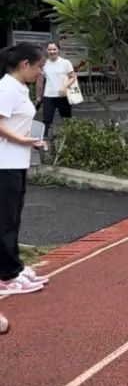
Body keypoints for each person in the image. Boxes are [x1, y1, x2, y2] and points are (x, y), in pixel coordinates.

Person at [0, 43, 49, 295]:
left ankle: (13, 266)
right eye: (39, 67)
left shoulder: (19, 88)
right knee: (5, 220)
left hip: (17, 161)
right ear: (25, 64)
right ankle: (6, 276)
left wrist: (30, 140)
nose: (40, 72)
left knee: (13, 218)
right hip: (4, 163)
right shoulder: (6, 87)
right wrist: (21, 140)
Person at [35, 43, 77, 138]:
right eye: (50, 49)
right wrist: (38, 96)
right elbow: (40, 82)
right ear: (47, 50)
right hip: (49, 96)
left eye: (54, 49)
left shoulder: (65, 62)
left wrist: (64, 87)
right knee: (47, 120)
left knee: (67, 119)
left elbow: (73, 77)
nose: (52, 51)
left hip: (63, 96)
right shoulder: (43, 64)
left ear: (59, 50)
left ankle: (69, 138)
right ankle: (44, 141)